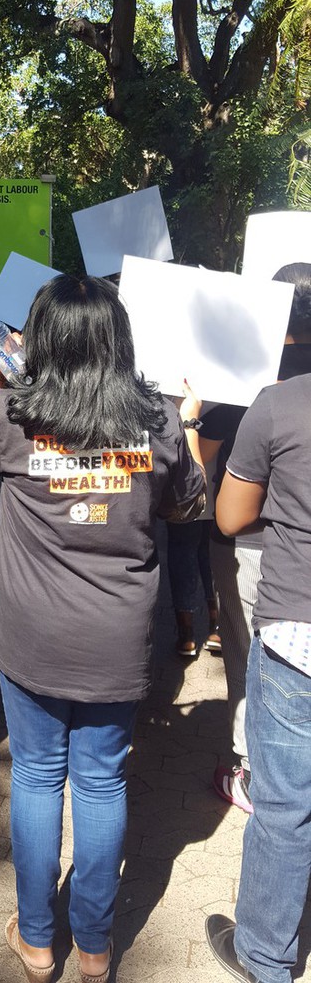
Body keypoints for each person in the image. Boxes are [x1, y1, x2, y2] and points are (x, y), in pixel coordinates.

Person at [0, 275, 206, 983]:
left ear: (43, 340)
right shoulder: (157, 420)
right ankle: (94, 949)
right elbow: (189, 506)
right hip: (116, 639)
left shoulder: (12, 412)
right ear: (118, 339)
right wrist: (186, 421)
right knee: (100, 784)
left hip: (31, 637)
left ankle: (37, 941)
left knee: (37, 776)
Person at [206, 362, 311, 983]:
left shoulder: (278, 405)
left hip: (298, 635)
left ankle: (266, 956)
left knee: (284, 806)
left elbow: (229, 518)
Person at [202, 261, 311, 815]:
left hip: (258, 552)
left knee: (249, 659)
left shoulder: (250, 379)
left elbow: (225, 512)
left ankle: (250, 769)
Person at [166, 519, 220, 657]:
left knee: (182, 549)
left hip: (184, 499)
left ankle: (186, 635)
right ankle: (217, 628)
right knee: (211, 546)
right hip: (215, 499)